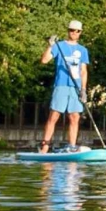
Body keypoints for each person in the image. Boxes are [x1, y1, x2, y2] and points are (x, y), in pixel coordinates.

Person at [39, 20, 89, 154]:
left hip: (75, 87)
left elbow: (83, 71)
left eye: (77, 31)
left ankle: (72, 146)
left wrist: (83, 89)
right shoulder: (59, 46)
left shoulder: (83, 50)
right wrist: (50, 46)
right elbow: (44, 60)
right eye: (72, 30)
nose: (74, 33)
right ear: (68, 31)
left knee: (74, 117)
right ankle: (45, 147)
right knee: (54, 115)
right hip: (61, 85)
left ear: (80, 32)